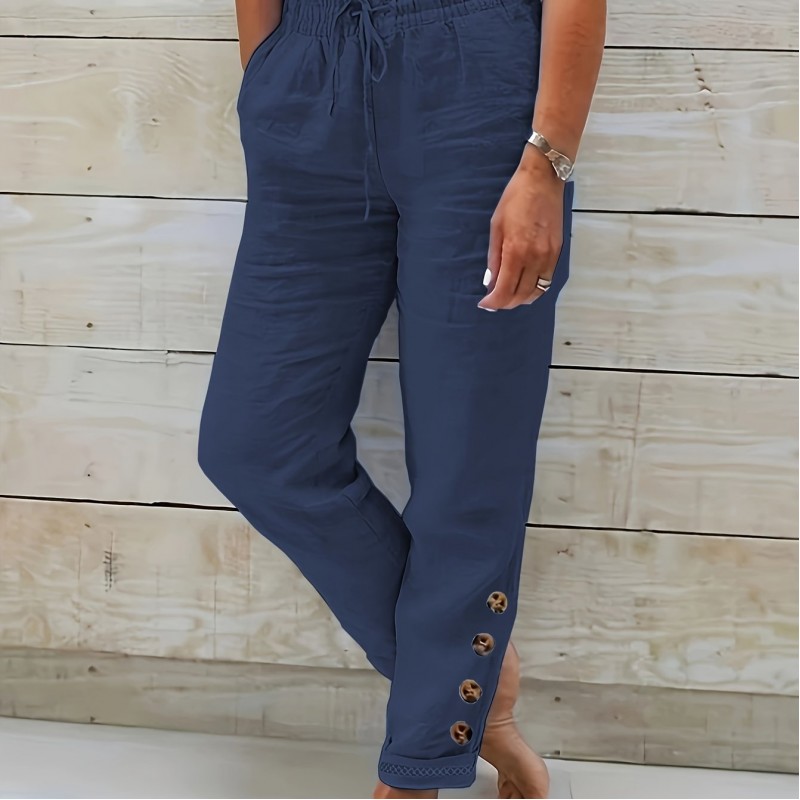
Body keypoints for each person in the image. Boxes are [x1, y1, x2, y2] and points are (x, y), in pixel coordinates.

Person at [197, 0, 605, 796]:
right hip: (306, 79)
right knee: (255, 446)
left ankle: (417, 767)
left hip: (474, 88)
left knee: (465, 461)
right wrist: (268, 74)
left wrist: (546, 163)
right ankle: (472, 690)